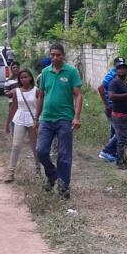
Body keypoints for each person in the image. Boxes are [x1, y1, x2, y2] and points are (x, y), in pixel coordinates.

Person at [35, 43, 83, 199]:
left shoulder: (71, 72)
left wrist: (76, 117)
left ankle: (63, 188)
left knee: (63, 155)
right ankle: (53, 174)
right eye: (52, 55)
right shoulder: (45, 73)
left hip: (64, 119)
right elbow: (41, 96)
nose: (55, 57)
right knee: (41, 151)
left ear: (63, 55)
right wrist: (37, 117)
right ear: (49, 56)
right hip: (46, 119)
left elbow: (78, 95)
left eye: (58, 55)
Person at [3, 69, 38, 182]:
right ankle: (10, 173)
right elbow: (13, 108)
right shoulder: (16, 91)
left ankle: (38, 171)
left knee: (35, 147)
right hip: (20, 118)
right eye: (21, 78)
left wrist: (39, 119)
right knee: (16, 145)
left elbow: (42, 105)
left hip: (33, 119)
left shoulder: (36, 91)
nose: (24, 79)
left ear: (31, 78)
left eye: (26, 77)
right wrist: (7, 123)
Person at [108, 62, 127, 169]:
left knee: (123, 138)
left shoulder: (125, 83)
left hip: (126, 115)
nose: (122, 70)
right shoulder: (114, 82)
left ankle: (122, 159)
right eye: (120, 68)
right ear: (116, 70)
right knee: (121, 139)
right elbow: (111, 96)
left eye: (124, 68)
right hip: (118, 115)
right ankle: (120, 162)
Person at [97, 57, 125, 163]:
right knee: (120, 131)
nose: (121, 67)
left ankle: (113, 152)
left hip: (116, 106)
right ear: (115, 65)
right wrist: (107, 104)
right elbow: (100, 87)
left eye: (122, 65)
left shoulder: (118, 75)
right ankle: (106, 151)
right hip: (112, 106)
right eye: (119, 65)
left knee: (115, 130)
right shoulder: (112, 74)